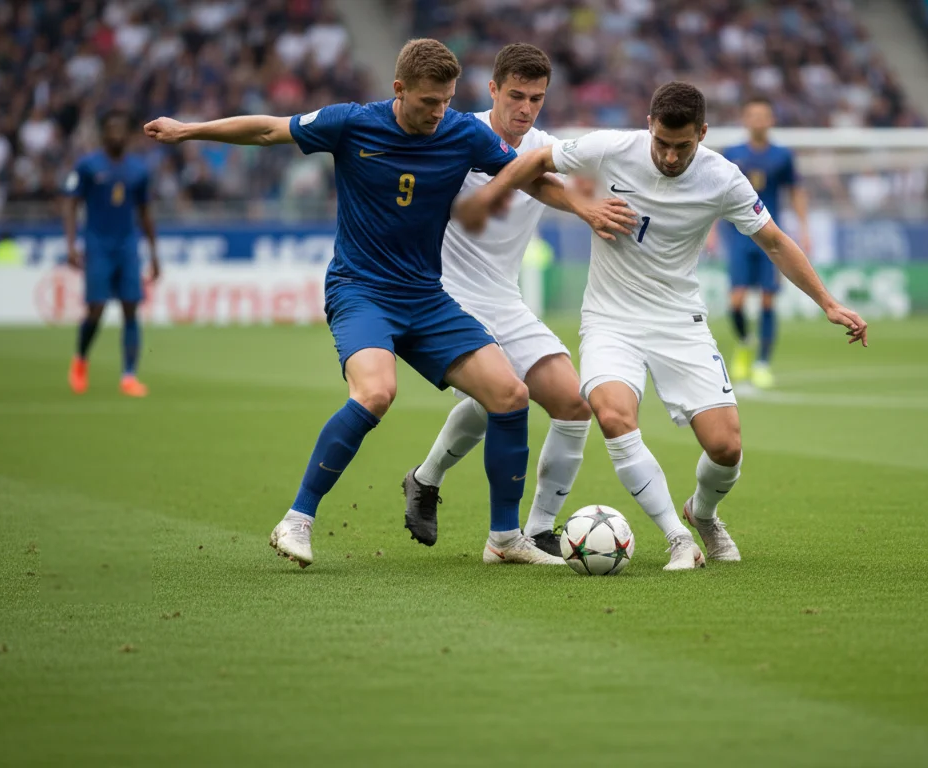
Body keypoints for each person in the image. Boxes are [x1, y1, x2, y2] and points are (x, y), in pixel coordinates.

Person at [144, 39, 628, 568]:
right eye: (428, 102)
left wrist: (584, 207)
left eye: (445, 101)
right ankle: (298, 518)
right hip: (361, 289)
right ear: (399, 90)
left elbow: (531, 179)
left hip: (426, 296)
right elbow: (267, 128)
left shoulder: (463, 132)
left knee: (509, 395)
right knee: (376, 392)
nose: (439, 112)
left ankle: (506, 537)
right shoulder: (351, 123)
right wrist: (189, 129)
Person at [455, 82, 868, 570]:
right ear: (649, 125)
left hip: (679, 322)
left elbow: (775, 242)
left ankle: (704, 515)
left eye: (683, 147)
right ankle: (677, 537)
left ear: (703, 134)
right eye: (662, 144)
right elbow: (538, 159)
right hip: (610, 320)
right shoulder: (611, 148)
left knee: (726, 446)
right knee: (611, 415)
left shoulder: (724, 178)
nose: (670, 157)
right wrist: (490, 197)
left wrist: (828, 302)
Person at [402, 43, 635, 557]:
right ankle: (450, 496)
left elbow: (578, 176)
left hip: (503, 297)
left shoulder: (547, 146)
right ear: (492, 90)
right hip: (447, 292)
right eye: (515, 95)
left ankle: (539, 528)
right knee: (502, 395)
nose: (525, 108)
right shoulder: (457, 133)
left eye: (536, 98)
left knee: (574, 404)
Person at [64, 109, 160, 397]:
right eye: (111, 129)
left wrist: (155, 254)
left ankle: (129, 375)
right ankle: (80, 359)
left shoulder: (138, 170)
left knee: (131, 307)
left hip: (127, 245)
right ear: (103, 134)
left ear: (128, 135)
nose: (116, 135)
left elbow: (145, 212)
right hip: (97, 244)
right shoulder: (87, 166)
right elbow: (70, 204)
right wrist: (70, 244)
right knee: (97, 308)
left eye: (121, 130)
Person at [721, 96, 809, 389]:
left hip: (770, 235)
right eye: (753, 115)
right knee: (736, 301)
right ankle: (746, 342)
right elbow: (712, 192)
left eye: (764, 115)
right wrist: (708, 230)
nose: (758, 120)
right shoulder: (732, 153)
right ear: (745, 119)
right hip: (738, 236)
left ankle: (762, 363)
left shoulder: (782, 156)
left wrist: (804, 227)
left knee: (769, 300)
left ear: (771, 120)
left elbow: (795, 191)